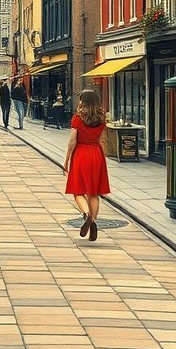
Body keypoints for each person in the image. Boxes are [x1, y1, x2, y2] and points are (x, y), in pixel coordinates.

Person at [63, 87, 110, 242]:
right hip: (96, 154)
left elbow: (72, 141)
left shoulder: (77, 118)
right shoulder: (101, 118)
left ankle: (86, 215)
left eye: (81, 99)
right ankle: (93, 222)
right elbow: (102, 140)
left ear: (85, 101)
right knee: (94, 193)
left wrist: (67, 159)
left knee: (78, 191)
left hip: (81, 154)